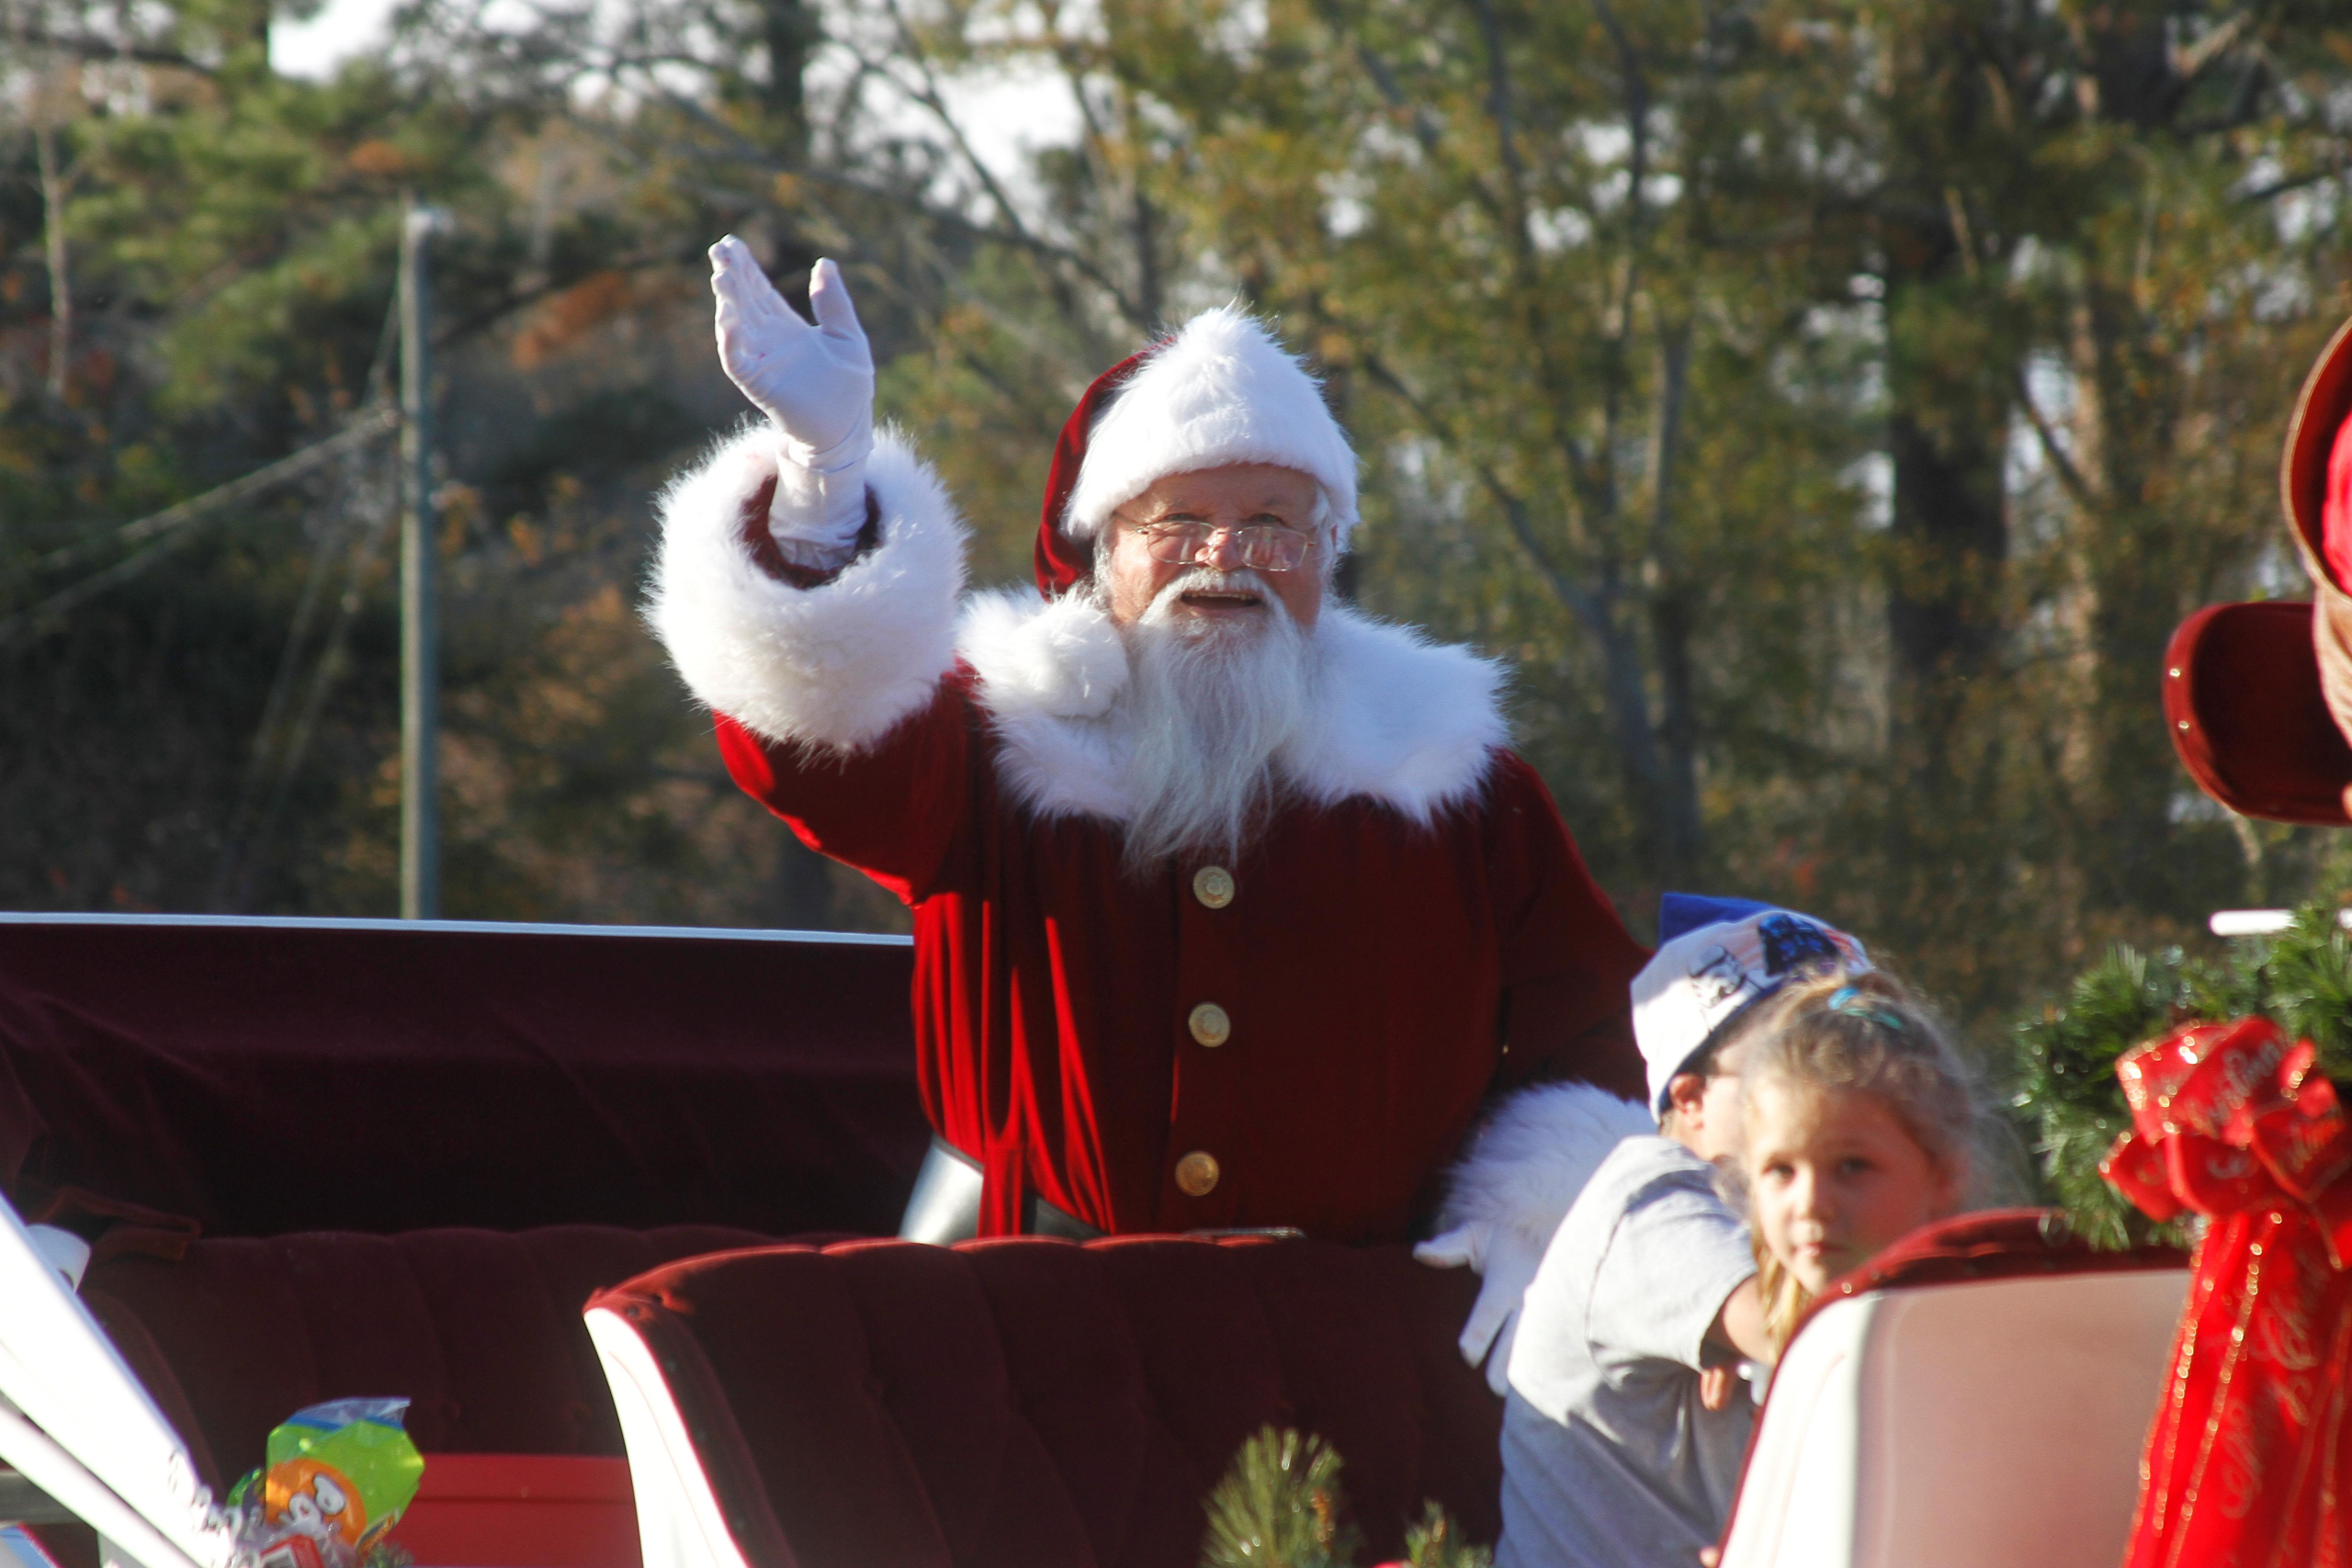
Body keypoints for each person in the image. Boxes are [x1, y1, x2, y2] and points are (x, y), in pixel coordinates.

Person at [644, 237, 1650, 1244]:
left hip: (1354, 1328)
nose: (1225, 556)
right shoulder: (991, 750)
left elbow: (1601, 1031)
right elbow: (825, 753)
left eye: (1272, 523)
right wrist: (825, 483)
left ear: (1325, 555)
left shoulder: (1453, 783)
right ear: (1101, 549)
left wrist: (1531, 1232)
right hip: (1013, 1324)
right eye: (1178, 520)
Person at [1492, 897, 1866, 1568]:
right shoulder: (1651, 1198)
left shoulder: (1775, 1231)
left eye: (1860, 1056)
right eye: (1791, 1063)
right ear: (1690, 1100)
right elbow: (1824, 1331)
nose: (1836, 1090)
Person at [1733, 968, 1974, 1351]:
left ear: (1944, 1174)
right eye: (1781, 1170)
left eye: (1851, 1166)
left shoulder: (1980, 1346)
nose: (1811, 1203)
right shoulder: (1795, 1357)